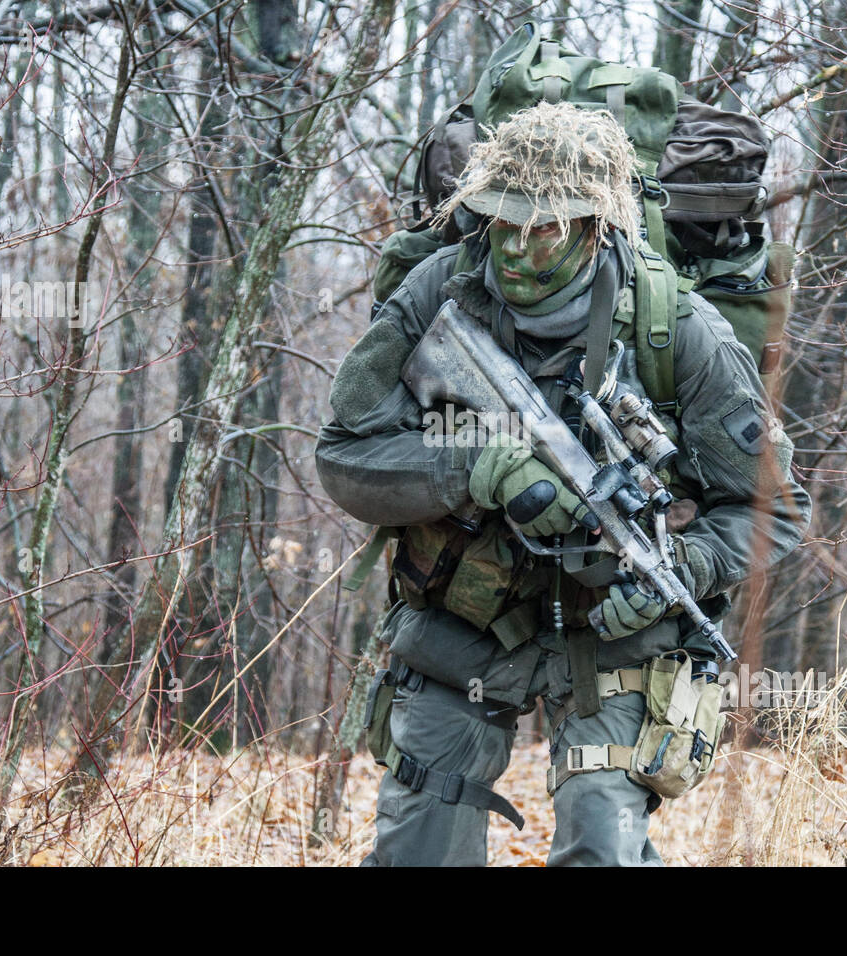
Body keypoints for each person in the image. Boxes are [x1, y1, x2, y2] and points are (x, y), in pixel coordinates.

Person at [316, 101, 810, 866]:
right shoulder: (436, 293)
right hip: (463, 620)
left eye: (543, 226)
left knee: (598, 842)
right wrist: (477, 471)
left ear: (596, 226)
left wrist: (686, 568)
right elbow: (345, 456)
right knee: (420, 850)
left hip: (617, 633)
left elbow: (773, 508)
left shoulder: (677, 331)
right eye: (499, 222)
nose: (513, 249)